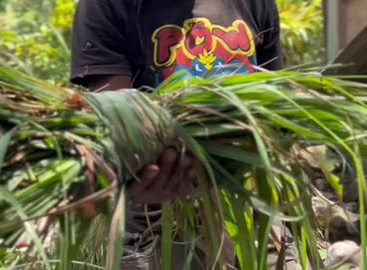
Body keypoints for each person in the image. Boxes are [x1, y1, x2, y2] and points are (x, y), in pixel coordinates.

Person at [69, 0, 302, 269]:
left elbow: (273, 106)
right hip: (156, 214)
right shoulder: (106, 5)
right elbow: (122, 124)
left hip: (252, 198)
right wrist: (142, 165)